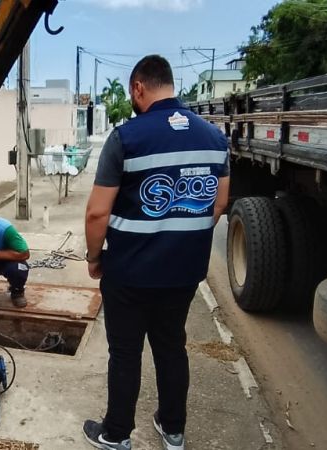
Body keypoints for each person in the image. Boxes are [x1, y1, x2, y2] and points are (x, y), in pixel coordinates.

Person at [82, 55, 230, 450]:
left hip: (129, 272)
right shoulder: (215, 139)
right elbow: (218, 204)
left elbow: (97, 212)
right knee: (171, 348)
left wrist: (95, 258)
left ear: (138, 88)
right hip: (182, 273)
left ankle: (116, 435)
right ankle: (173, 430)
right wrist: (180, 237)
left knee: (126, 353)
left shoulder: (126, 138)